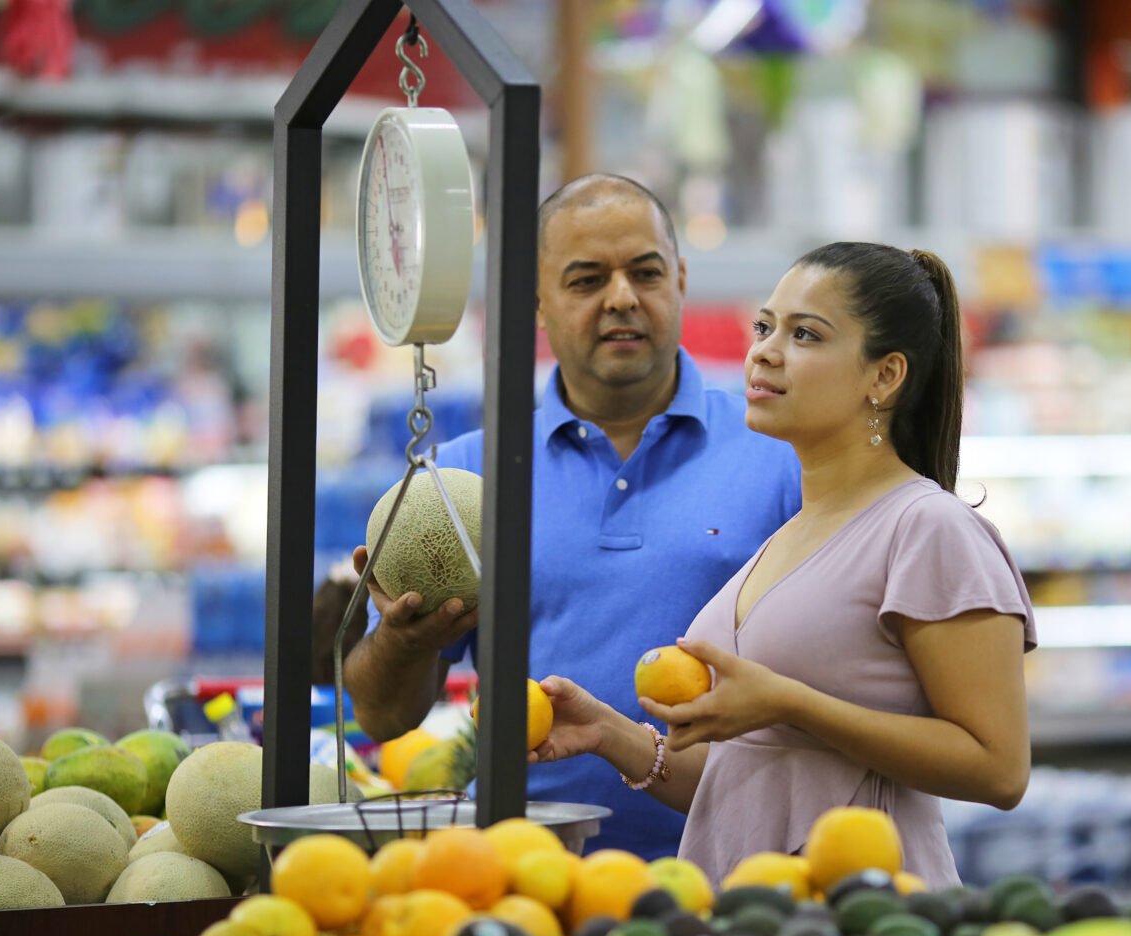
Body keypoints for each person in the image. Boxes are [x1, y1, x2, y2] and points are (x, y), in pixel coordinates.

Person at [534, 241, 1036, 887]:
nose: (765, 351)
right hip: (748, 929)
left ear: (884, 377)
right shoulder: (792, 532)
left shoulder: (929, 528)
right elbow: (747, 783)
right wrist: (607, 732)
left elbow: (999, 770)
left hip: (863, 921)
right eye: (765, 327)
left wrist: (790, 704)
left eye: (804, 334)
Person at [343, 174, 803, 860]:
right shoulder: (463, 479)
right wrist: (404, 641)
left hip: (743, 870)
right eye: (586, 280)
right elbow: (384, 717)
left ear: (679, 279)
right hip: (527, 877)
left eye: (645, 273)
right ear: (537, 301)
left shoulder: (782, 451)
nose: (622, 297)